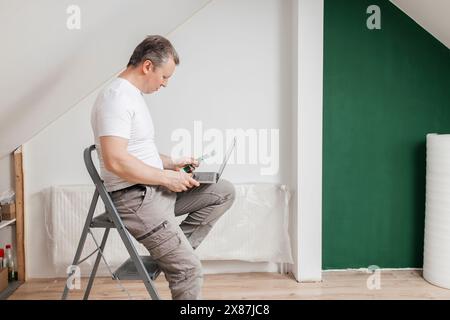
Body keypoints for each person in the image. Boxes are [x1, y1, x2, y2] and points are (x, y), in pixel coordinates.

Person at [90, 35, 236, 299]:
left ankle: (175, 253)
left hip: (153, 190)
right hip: (135, 199)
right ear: (147, 66)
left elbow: (136, 152)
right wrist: (166, 178)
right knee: (189, 271)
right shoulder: (115, 98)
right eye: (164, 77)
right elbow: (115, 160)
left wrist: (172, 162)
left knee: (223, 191)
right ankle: (178, 260)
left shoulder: (131, 96)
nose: (165, 84)